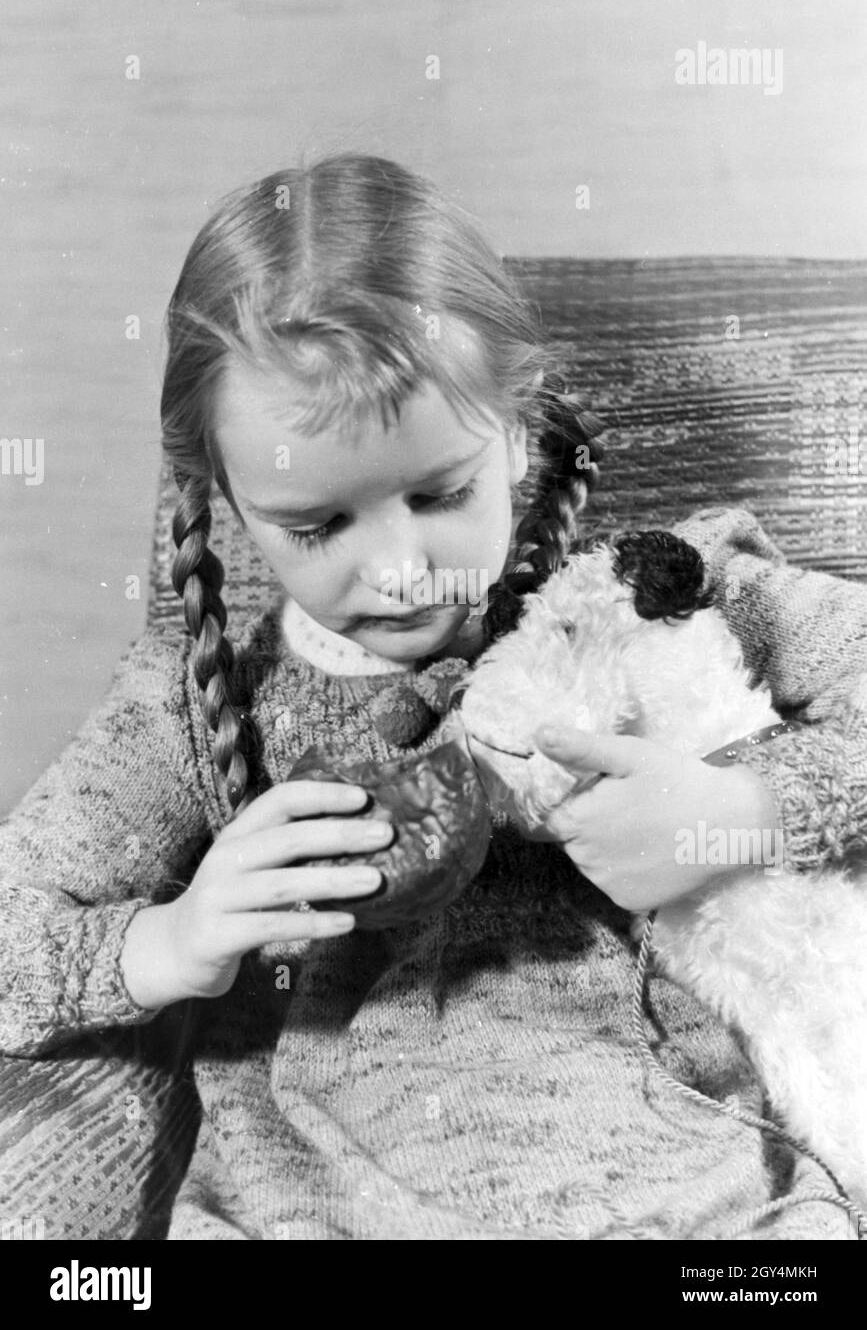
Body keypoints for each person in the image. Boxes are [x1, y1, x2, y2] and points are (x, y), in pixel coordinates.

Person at [2, 152, 867, 1241]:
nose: (404, 570)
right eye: (318, 527)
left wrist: (731, 813)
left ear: (516, 429)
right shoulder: (195, 706)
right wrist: (174, 938)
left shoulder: (653, 601)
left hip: (698, 1208)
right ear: (231, 498)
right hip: (311, 1211)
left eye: (440, 492)